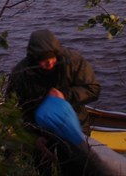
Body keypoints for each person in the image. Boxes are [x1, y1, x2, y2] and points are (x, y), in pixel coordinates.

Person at [6, 29, 103, 175]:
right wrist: (34, 138)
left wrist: (65, 95)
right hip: (41, 135)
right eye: (43, 60)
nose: (49, 63)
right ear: (34, 58)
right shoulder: (21, 74)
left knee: (79, 170)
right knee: (44, 170)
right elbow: (13, 110)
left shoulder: (73, 61)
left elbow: (93, 89)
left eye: (52, 58)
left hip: (75, 129)